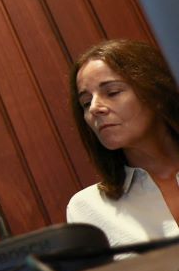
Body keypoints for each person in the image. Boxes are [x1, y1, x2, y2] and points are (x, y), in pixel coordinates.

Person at [67, 39, 179, 246]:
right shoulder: (88, 207)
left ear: (157, 94)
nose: (94, 108)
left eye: (112, 92)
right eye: (85, 102)